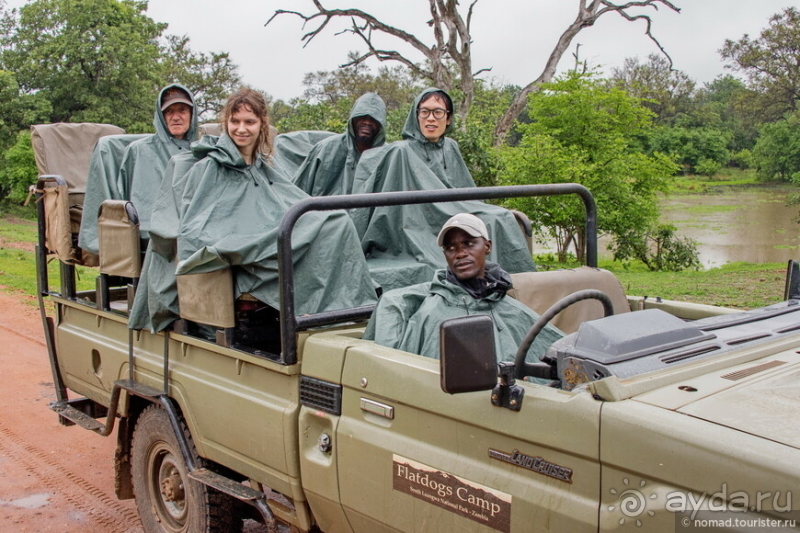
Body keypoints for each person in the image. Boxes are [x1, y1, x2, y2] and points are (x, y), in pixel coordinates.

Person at [169, 87, 376, 323]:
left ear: (262, 124)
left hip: (273, 239)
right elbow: (195, 231)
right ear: (226, 123)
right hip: (247, 253)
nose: (241, 129)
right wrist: (244, 242)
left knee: (337, 223)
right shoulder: (208, 168)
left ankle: (350, 310)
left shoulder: (265, 166)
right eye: (235, 121)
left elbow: (287, 201)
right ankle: (325, 314)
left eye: (249, 122)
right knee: (329, 226)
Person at [350, 87, 536, 291]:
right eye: (425, 112)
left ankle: (519, 288)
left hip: (457, 209)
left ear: (448, 118)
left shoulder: (450, 147)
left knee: (500, 218)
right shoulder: (401, 151)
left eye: (438, 112)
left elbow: (467, 192)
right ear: (416, 116)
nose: (431, 118)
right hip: (419, 224)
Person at [364, 213, 562, 369]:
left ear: (487, 246)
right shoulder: (433, 313)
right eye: (451, 248)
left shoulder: (508, 305)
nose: (460, 254)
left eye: (469, 243)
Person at [78, 84, 199, 254]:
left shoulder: (203, 151)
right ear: (161, 116)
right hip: (151, 236)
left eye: (182, 110)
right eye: (169, 111)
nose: (176, 117)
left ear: (192, 115)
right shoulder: (139, 151)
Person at [291, 92, 387, 196]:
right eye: (362, 116)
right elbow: (298, 191)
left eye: (373, 119)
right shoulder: (325, 149)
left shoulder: (387, 156)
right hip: (326, 206)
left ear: (381, 123)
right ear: (353, 119)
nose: (367, 122)